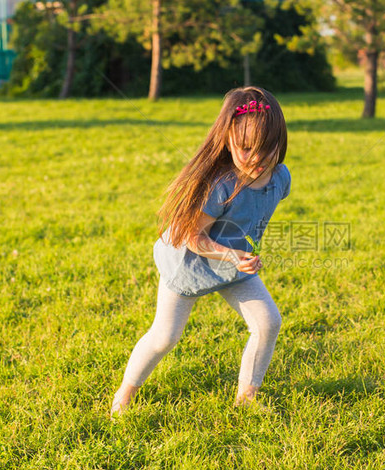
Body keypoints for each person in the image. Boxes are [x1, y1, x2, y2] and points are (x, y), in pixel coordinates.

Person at [111, 86, 291, 417]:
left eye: (267, 148)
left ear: (281, 141)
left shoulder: (280, 179)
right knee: (165, 337)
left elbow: (252, 214)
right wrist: (233, 255)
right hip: (188, 264)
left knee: (268, 323)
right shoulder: (219, 186)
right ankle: (124, 393)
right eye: (246, 148)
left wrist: (241, 254)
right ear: (228, 143)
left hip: (232, 266)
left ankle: (247, 398)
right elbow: (191, 235)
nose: (256, 158)